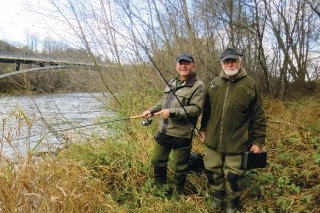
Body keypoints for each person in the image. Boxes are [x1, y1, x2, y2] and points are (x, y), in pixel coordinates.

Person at [200, 47, 266, 212]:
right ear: (221, 64)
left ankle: (232, 202)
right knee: (212, 169)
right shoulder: (214, 83)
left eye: (233, 61)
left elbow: (258, 115)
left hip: (238, 140)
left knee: (234, 175)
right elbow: (207, 111)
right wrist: (203, 129)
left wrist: (258, 141)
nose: (230, 64)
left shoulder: (250, 84)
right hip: (213, 138)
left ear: (240, 62)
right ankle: (217, 196)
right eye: (226, 61)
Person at [142, 53, 206, 196]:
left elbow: (196, 110)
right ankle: (161, 189)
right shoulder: (172, 82)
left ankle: (177, 195)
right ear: (176, 66)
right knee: (157, 161)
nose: (183, 66)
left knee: (180, 167)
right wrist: (151, 111)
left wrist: (172, 112)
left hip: (182, 135)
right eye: (180, 63)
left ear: (193, 66)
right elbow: (163, 102)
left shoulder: (198, 86)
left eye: (187, 63)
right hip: (163, 131)